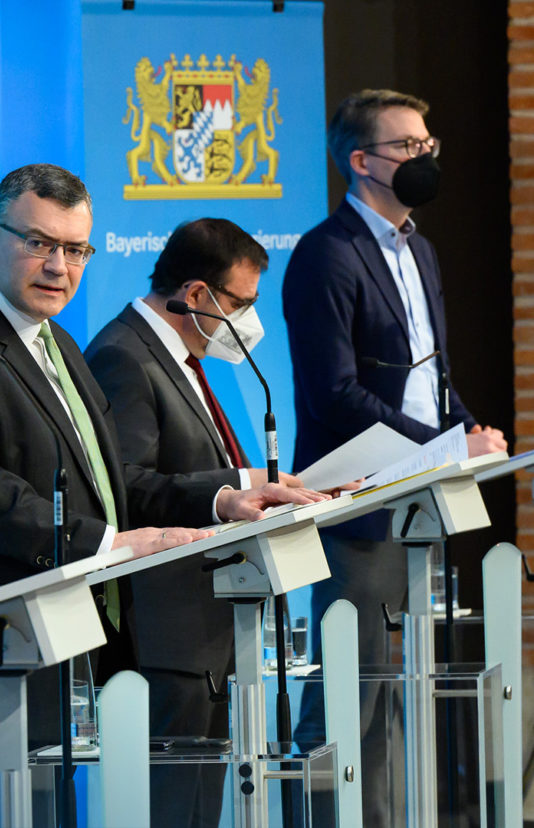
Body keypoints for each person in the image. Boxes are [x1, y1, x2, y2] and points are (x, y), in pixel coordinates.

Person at [0, 163, 327, 828]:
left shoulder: (56, 343)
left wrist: (221, 499)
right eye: (39, 243)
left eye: (75, 249)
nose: (58, 266)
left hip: (55, 655)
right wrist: (106, 544)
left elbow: (110, 479)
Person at [283, 89, 507, 827]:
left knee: (401, 694)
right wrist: (443, 448)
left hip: (419, 501)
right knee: (352, 697)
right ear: (361, 161)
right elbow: (335, 394)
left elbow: (429, 376)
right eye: (408, 146)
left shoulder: (420, 248)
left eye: (427, 142)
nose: (426, 155)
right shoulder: (326, 254)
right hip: (360, 507)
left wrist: (472, 432)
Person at [85, 217, 298, 827]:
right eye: (241, 303)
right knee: (175, 810)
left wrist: (261, 482)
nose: (248, 321)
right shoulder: (124, 354)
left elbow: (193, 465)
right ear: (198, 294)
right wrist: (227, 495)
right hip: (166, 630)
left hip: (204, 625)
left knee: (202, 806)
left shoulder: (179, 355)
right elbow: (125, 484)